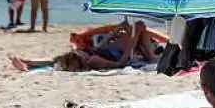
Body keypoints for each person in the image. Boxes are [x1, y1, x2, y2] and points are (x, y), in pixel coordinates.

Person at [10, 20, 159, 71]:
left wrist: (114, 33)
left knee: (59, 61)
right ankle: (28, 64)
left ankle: (29, 64)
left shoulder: (94, 53)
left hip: (109, 53)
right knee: (60, 60)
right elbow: (119, 61)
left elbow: (117, 59)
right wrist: (118, 35)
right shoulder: (95, 59)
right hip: (112, 53)